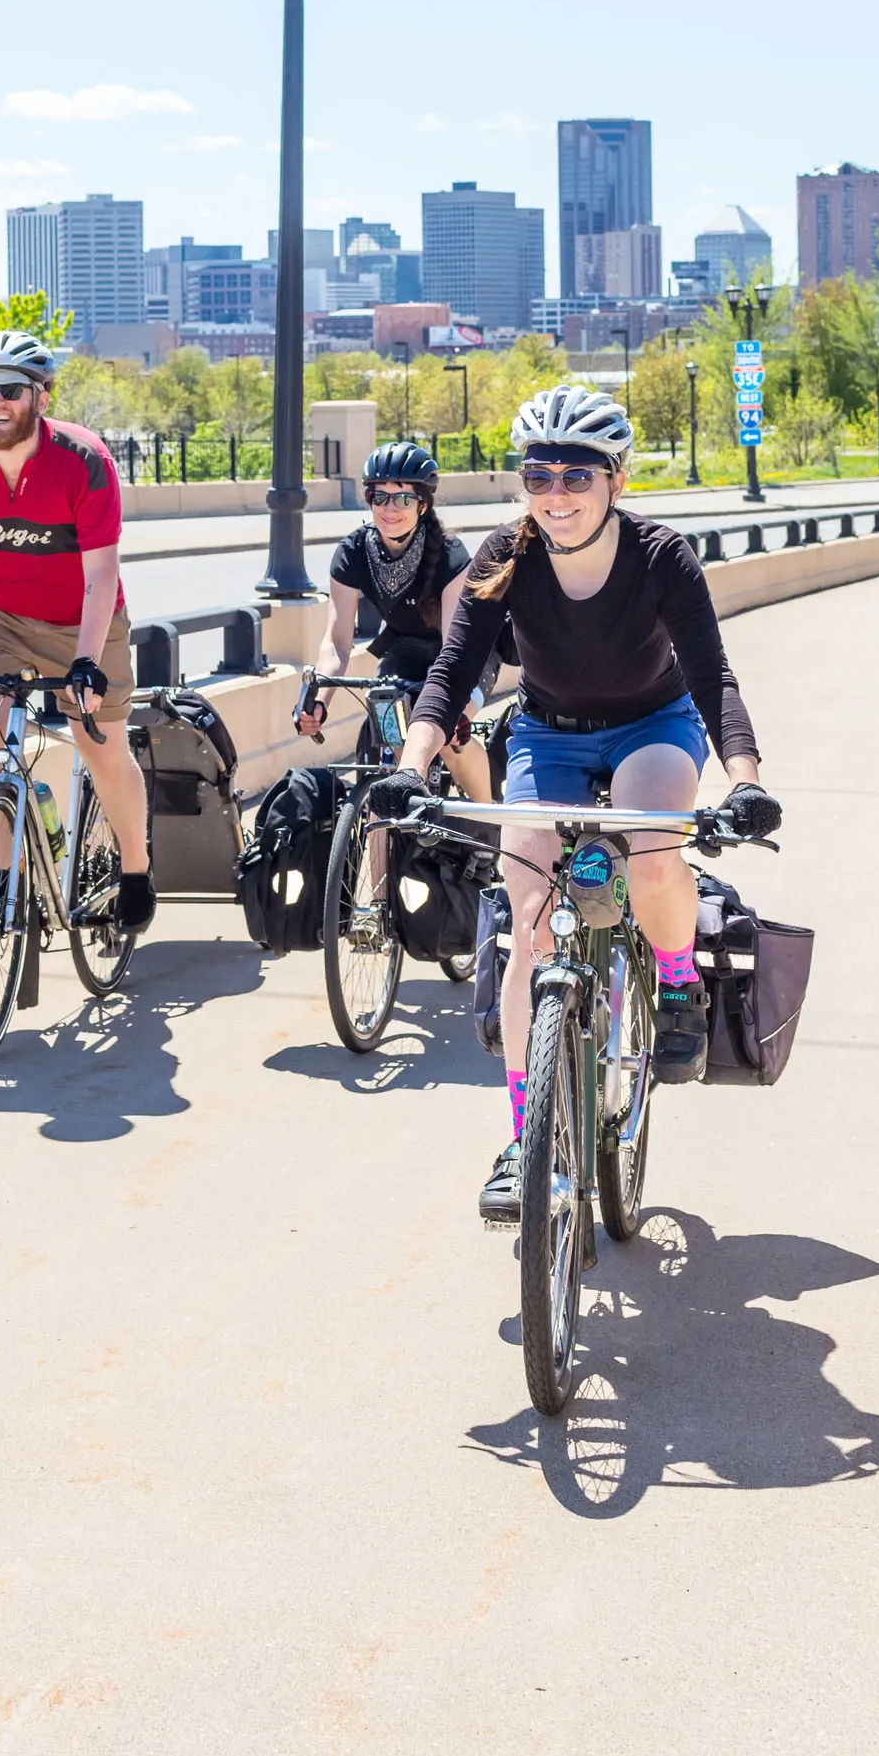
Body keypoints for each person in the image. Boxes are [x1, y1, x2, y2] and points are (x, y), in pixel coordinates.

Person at [378, 382, 780, 1223]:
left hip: (653, 727)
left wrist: (743, 780)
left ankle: (676, 982)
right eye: (538, 475)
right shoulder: (503, 557)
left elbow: (713, 678)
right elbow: (453, 676)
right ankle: (526, 1136)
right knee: (530, 924)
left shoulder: (662, 557)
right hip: (548, 736)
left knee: (654, 852)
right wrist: (412, 766)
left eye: (577, 475)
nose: (555, 494)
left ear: (616, 481)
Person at [0, 328, 155, 930]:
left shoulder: (84, 461)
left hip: (83, 621)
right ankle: (0, 875)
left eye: (12, 389)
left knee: (103, 751)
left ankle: (137, 868)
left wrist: (87, 661)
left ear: (41, 397)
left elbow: (101, 574)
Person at [295, 441, 490, 798]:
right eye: (378, 497)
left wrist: (453, 709)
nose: (389, 509)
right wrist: (320, 700)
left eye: (402, 499)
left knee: (442, 737)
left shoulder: (451, 555)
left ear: (423, 504)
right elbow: (337, 643)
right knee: (393, 727)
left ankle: (492, 825)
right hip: (405, 648)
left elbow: (456, 650)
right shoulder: (353, 552)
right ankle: (409, 834)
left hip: (465, 653)